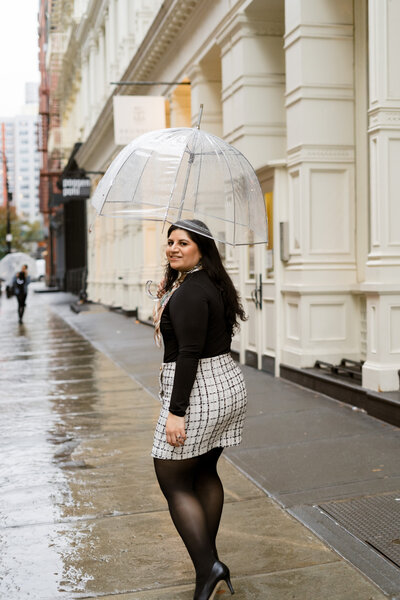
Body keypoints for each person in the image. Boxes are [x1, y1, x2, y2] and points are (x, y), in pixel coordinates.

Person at [151, 219, 247, 600]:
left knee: (171, 477)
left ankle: (209, 568)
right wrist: (169, 297)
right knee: (205, 470)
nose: (173, 248)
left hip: (200, 391)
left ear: (202, 248)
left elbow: (189, 354)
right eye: (170, 242)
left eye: (183, 243)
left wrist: (177, 412)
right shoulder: (207, 284)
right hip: (226, 384)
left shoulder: (191, 292)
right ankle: (210, 563)